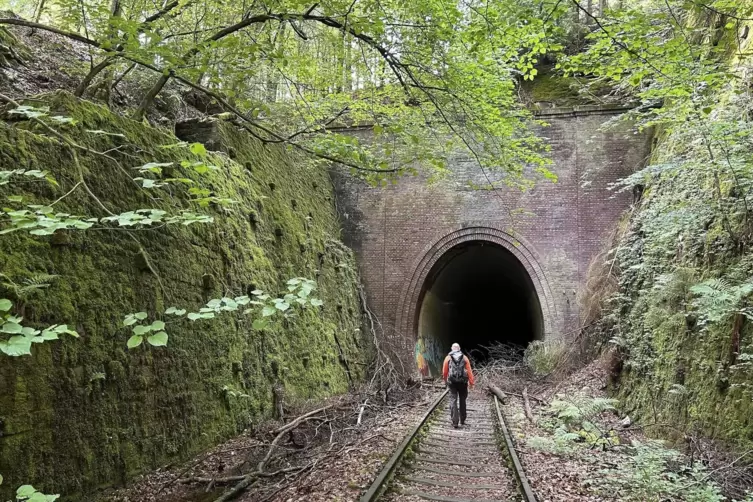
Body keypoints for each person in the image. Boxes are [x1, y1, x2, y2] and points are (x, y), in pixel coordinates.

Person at [442, 343, 475, 428]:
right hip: (463, 383)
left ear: (452, 349)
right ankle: (462, 420)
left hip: (452, 383)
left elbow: (444, 372)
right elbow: (469, 371)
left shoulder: (448, 357)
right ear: (459, 348)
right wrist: (471, 383)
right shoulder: (464, 357)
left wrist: (445, 381)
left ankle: (455, 422)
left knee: (453, 400)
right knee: (462, 400)